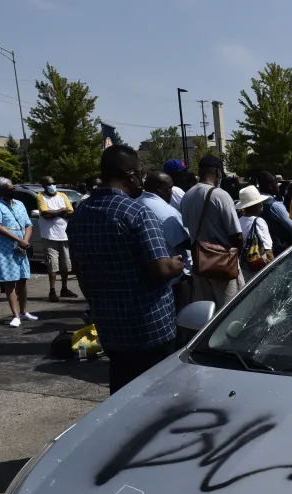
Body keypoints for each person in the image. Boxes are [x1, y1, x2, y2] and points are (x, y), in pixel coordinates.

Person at [69, 145, 186, 393]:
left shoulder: (81, 213)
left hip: (109, 327)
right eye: (140, 174)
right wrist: (176, 264)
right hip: (149, 328)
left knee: (122, 392)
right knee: (157, 395)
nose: (141, 180)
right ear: (131, 175)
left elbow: (78, 268)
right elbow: (160, 269)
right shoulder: (137, 212)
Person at [180, 154, 245, 308]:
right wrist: (235, 259)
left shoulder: (187, 196)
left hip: (200, 264)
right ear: (217, 172)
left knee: (206, 312)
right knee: (230, 310)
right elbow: (237, 235)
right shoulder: (220, 195)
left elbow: (187, 226)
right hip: (223, 265)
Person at [0, 177, 37, 328]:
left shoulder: (19, 204)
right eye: (9, 189)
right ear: (0, 191)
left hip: (21, 244)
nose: (12, 191)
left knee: (23, 277)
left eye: (13, 188)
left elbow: (28, 224)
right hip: (4, 245)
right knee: (10, 280)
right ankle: (15, 315)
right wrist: (18, 240)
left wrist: (24, 241)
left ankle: (23, 311)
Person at [138, 171, 192, 310]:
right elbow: (183, 242)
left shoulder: (138, 202)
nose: (171, 193)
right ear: (158, 188)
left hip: (150, 277)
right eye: (169, 188)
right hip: (174, 279)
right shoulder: (163, 211)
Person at [33, 176, 77, 302]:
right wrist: (62, 211)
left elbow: (71, 212)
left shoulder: (62, 196)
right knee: (52, 265)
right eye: (48, 184)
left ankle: (64, 288)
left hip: (64, 234)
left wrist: (55, 213)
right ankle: (52, 291)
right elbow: (45, 214)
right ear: (43, 186)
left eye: (53, 183)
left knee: (66, 265)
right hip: (49, 235)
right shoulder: (41, 197)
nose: (52, 186)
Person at [235, 185, 276, 276]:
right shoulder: (259, 222)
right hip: (258, 269)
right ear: (257, 204)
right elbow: (268, 251)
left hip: (244, 268)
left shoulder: (238, 221)